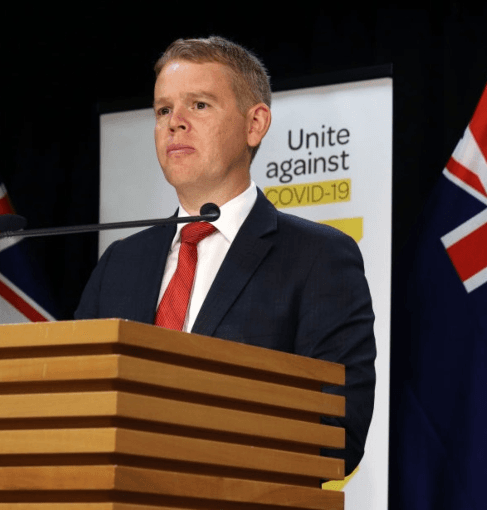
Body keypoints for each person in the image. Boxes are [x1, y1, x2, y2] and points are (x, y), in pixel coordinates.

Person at [74, 36, 375, 473]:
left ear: (255, 124)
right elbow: (76, 404)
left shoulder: (319, 258)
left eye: (198, 105)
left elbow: (337, 432)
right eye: (163, 110)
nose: (175, 122)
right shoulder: (120, 263)